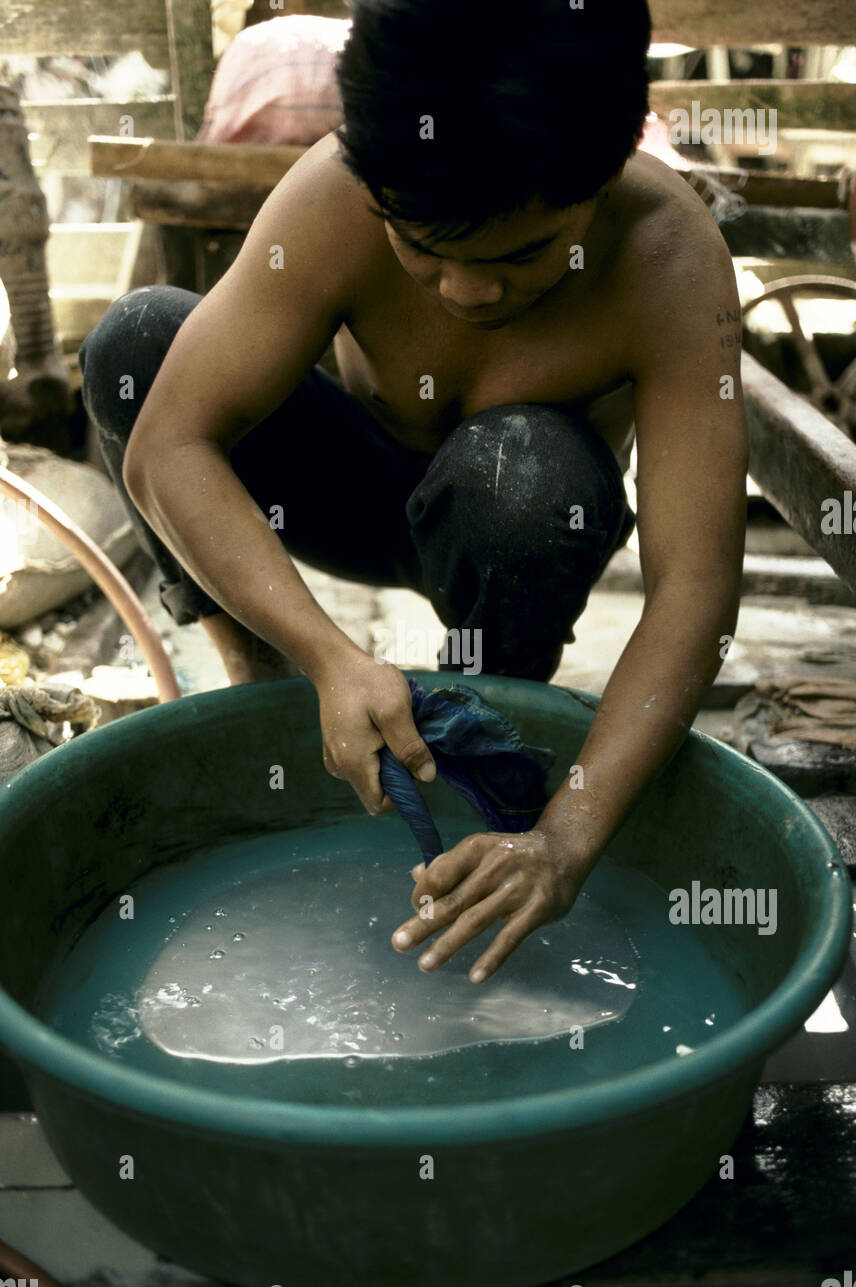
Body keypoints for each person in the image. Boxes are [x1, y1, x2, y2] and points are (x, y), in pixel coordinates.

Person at [79, 0, 747, 985]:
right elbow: (168, 445)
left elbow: (694, 587)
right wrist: (325, 657)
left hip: (503, 523)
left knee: (524, 473)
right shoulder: (338, 194)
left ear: (603, 177)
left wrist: (567, 835)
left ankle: (489, 744)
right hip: (345, 491)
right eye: (420, 248)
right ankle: (260, 685)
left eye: (520, 255)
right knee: (137, 344)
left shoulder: (667, 260)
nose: (467, 292)